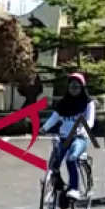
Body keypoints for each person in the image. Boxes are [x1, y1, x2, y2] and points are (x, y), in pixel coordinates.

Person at [39, 72, 95, 200]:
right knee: (54, 164)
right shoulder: (64, 103)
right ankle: (59, 188)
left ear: (82, 87)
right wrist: (44, 128)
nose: (73, 89)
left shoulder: (88, 103)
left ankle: (74, 188)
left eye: (76, 86)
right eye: (71, 86)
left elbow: (90, 121)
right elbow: (55, 117)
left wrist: (83, 129)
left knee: (71, 158)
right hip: (64, 137)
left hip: (80, 138)